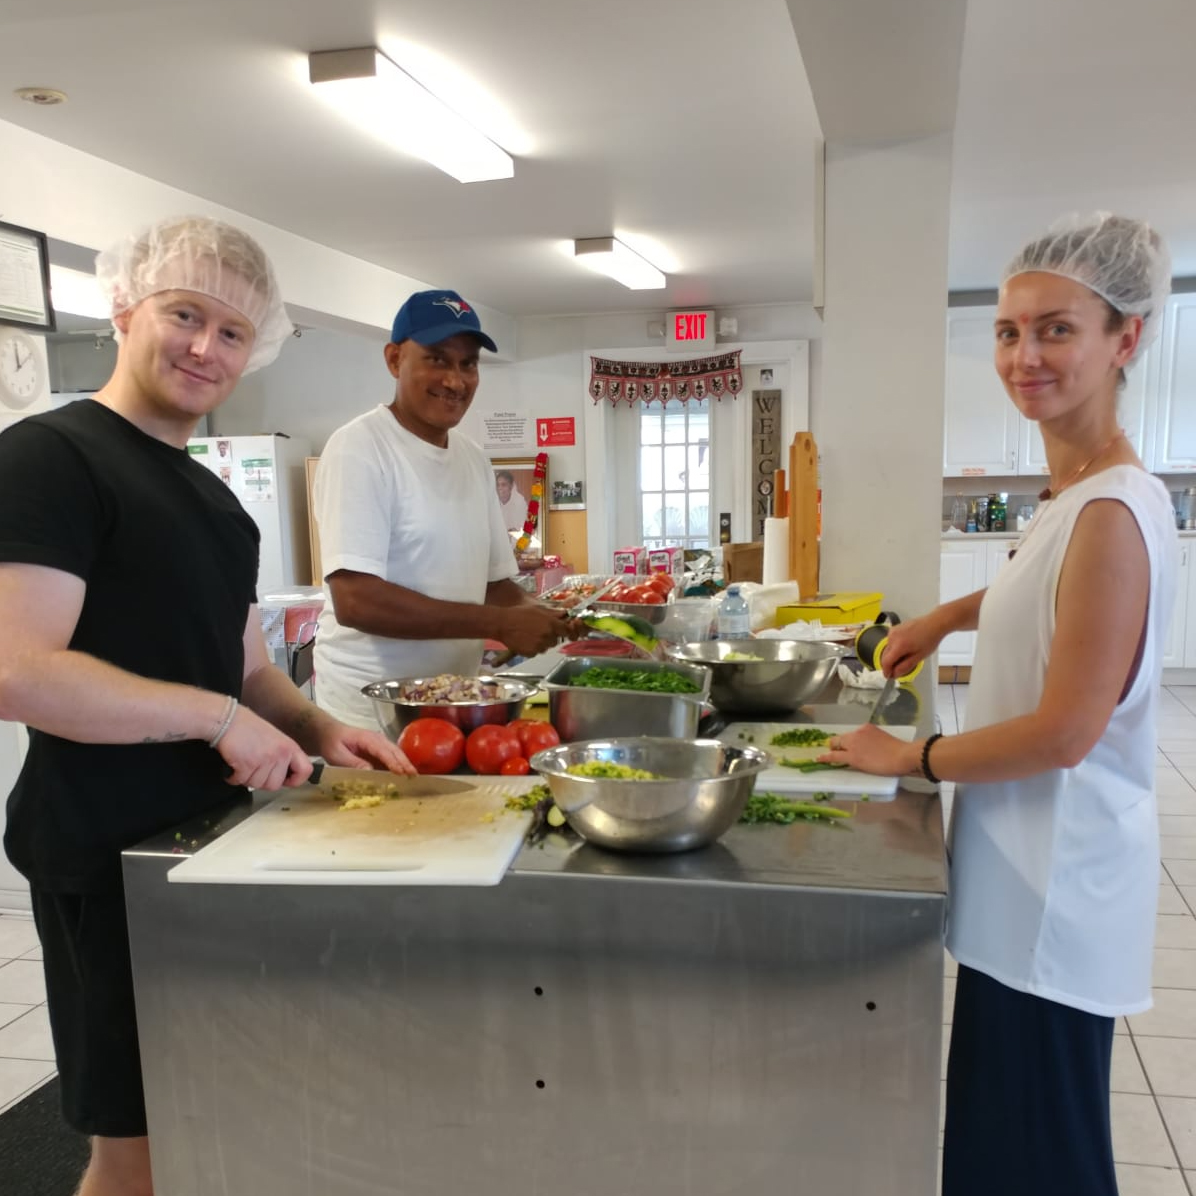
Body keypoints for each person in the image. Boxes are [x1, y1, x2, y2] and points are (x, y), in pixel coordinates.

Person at [0, 215, 413, 1196]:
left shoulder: (215, 497)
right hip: (108, 856)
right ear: (124, 305)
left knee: (216, 1121)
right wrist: (217, 719)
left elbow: (245, 666)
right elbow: (17, 667)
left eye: (233, 331)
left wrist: (318, 725)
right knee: (135, 1152)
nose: (205, 346)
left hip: (214, 842)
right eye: (185, 313)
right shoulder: (50, 457)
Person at [821, 213, 1179, 1196]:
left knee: (1032, 1162)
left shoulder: (1107, 512)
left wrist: (914, 758)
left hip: (1051, 899)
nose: (1023, 356)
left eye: (1055, 329)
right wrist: (945, 615)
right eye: (1007, 330)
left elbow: (1065, 730)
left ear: (1124, 338)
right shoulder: (1077, 494)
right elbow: (1041, 583)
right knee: (1009, 1149)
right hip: (1029, 881)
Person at [312, 289, 578, 729]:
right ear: (395, 359)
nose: (456, 381)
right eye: (437, 359)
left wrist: (544, 615)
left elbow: (494, 584)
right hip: (372, 717)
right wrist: (499, 624)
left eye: (468, 364)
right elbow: (355, 600)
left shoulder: (473, 459)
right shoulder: (359, 448)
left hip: (456, 700)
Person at [495, 468, 528, 533]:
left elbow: (522, 528)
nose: (500, 488)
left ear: (511, 486)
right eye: (498, 485)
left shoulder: (520, 502)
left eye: (503, 485)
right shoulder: (493, 501)